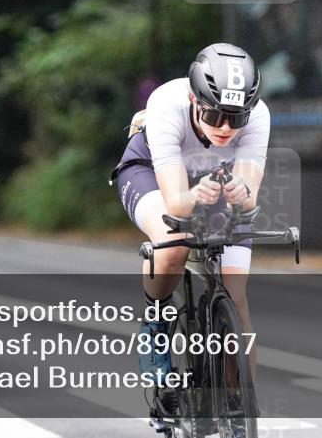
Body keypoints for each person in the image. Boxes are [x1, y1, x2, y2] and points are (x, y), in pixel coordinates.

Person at [111, 42, 270, 401]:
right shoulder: (168, 105)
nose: (227, 128)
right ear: (193, 100)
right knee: (174, 241)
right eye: (215, 116)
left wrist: (239, 196)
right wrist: (196, 199)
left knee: (236, 295)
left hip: (214, 180)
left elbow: (248, 198)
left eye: (237, 118)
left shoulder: (259, 115)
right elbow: (177, 204)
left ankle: (238, 407)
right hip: (153, 174)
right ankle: (156, 320)